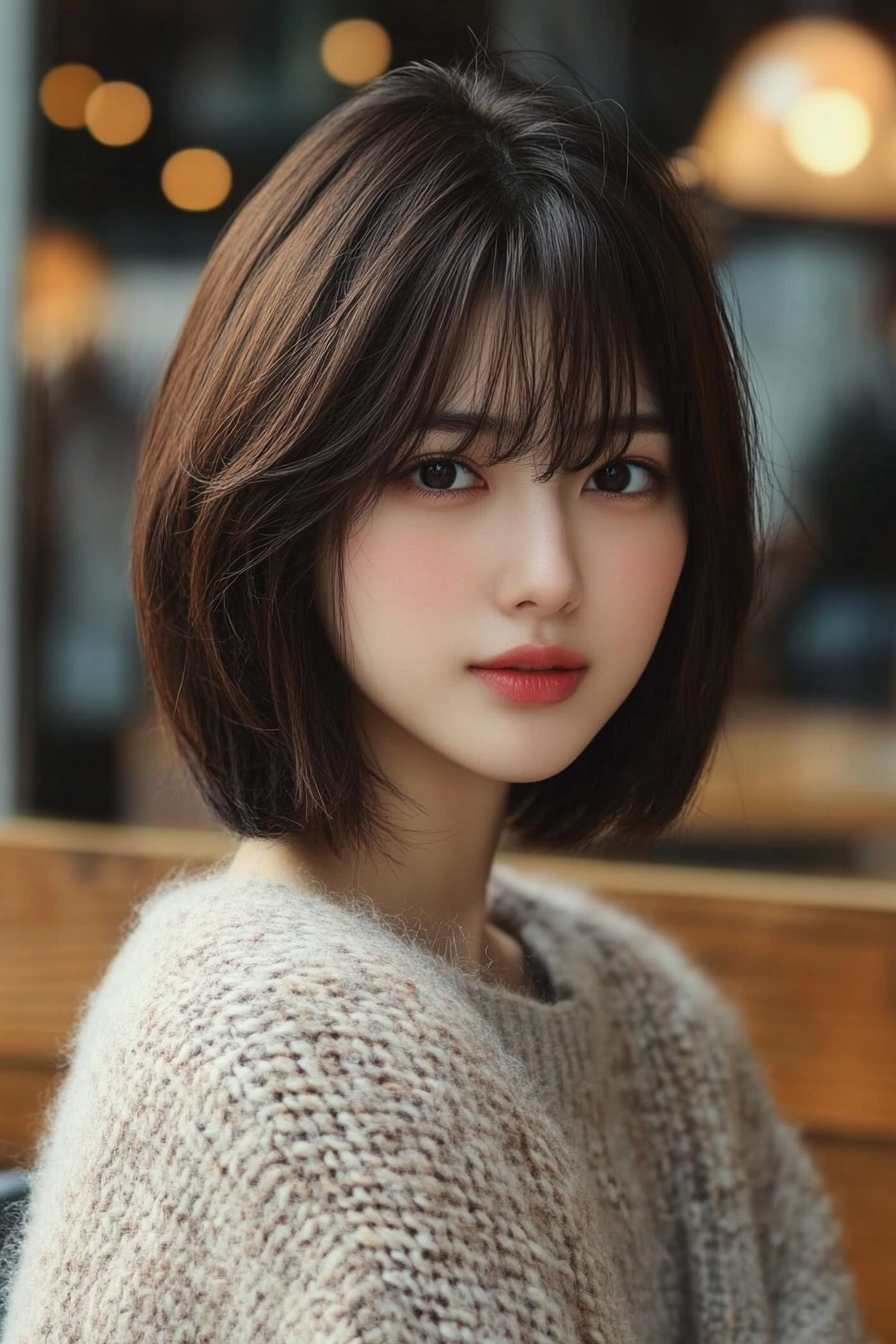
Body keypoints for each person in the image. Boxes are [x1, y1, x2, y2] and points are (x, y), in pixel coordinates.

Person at [2, 58, 868, 1343]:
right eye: (445, 469)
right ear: (275, 497)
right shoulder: (289, 1052)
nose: (547, 575)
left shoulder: (646, 1016)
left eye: (620, 474)